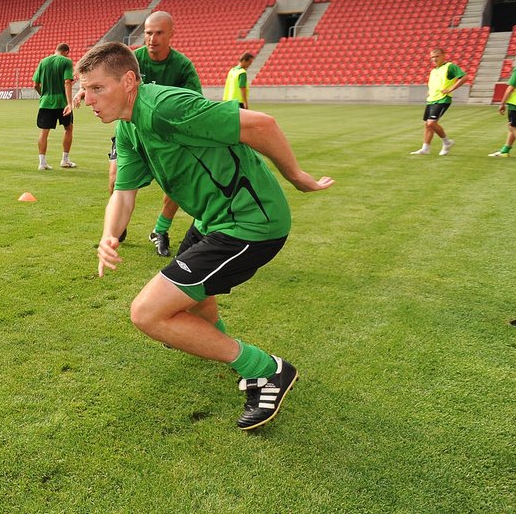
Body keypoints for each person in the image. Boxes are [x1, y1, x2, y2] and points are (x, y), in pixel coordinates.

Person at [77, 42, 333, 431]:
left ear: (128, 81)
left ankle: (266, 371)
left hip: (250, 224)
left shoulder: (165, 107)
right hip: (212, 220)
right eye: (85, 89)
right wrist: (108, 235)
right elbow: (123, 193)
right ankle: (210, 340)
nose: (87, 99)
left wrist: (297, 177)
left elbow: (261, 124)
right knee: (193, 299)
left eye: (97, 88)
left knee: (147, 313)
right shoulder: (128, 126)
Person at [134, 11, 201, 257]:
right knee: (115, 179)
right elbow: (110, 81)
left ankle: (160, 230)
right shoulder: (133, 59)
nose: (152, 38)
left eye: (159, 33)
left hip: (167, 137)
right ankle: (117, 228)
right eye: (149, 33)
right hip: (133, 133)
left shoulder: (182, 66)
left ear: (171, 34)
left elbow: (194, 103)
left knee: (175, 184)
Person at [410, 48, 469, 156]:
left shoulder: (450, 67)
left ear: (443, 56)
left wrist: (450, 89)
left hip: (443, 99)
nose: (434, 59)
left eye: (437, 56)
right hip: (432, 99)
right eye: (432, 57)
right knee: (427, 125)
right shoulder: (433, 71)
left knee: (431, 122)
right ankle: (425, 148)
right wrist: (429, 91)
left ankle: (447, 142)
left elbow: (464, 77)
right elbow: (434, 84)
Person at [32, 43, 76, 170]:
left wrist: (43, 95)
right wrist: (69, 103)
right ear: (66, 52)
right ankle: (65, 160)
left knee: (44, 132)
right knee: (68, 129)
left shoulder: (43, 61)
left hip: (45, 102)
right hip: (62, 103)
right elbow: (67, 81)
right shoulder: (66, 61)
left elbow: (35, 84)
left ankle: (42, 163)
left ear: (56, 50)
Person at [489, 47, 516, 160]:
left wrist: (502, 103)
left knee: (514, 127)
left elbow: (510, 88)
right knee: (513, 126)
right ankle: (505, 151)